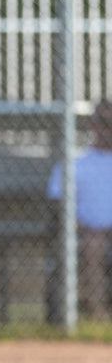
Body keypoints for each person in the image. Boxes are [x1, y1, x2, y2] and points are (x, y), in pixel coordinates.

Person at [47, 99, 112, 321]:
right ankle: (99, 317)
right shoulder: (74, 164)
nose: (109, 128)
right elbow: (59, 209)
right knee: (95, 245)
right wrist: (85, 229)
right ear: (92, 124)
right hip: (87, 234)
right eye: (104, 121)